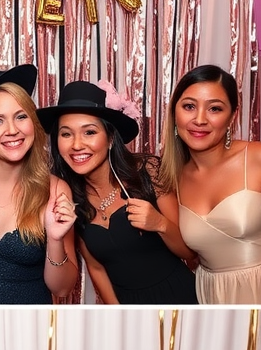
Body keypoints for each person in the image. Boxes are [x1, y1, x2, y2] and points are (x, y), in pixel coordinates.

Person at [39, 80, 198, 304]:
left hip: (178, 298)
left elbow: (189, 254)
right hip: (127, 308)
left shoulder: (148, 171)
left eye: (89, 132)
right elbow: (96, 268)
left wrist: (160, 223)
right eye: (66, 134)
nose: (76, 145)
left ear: (111, 138)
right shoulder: (69, 198)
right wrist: (118, 314)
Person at [0, 65, 78, 303]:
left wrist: (55, 240)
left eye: (21, 117)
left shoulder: (55, 190)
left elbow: (62, 289)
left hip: (29, 320)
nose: (12, 130)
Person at [160, 64, 261, 304]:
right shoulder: (172, 179)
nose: (199, 119)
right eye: (189, 106)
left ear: (232, 116)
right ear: (174, 112)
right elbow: (188, 254)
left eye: (215, 108)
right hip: (213, 296)